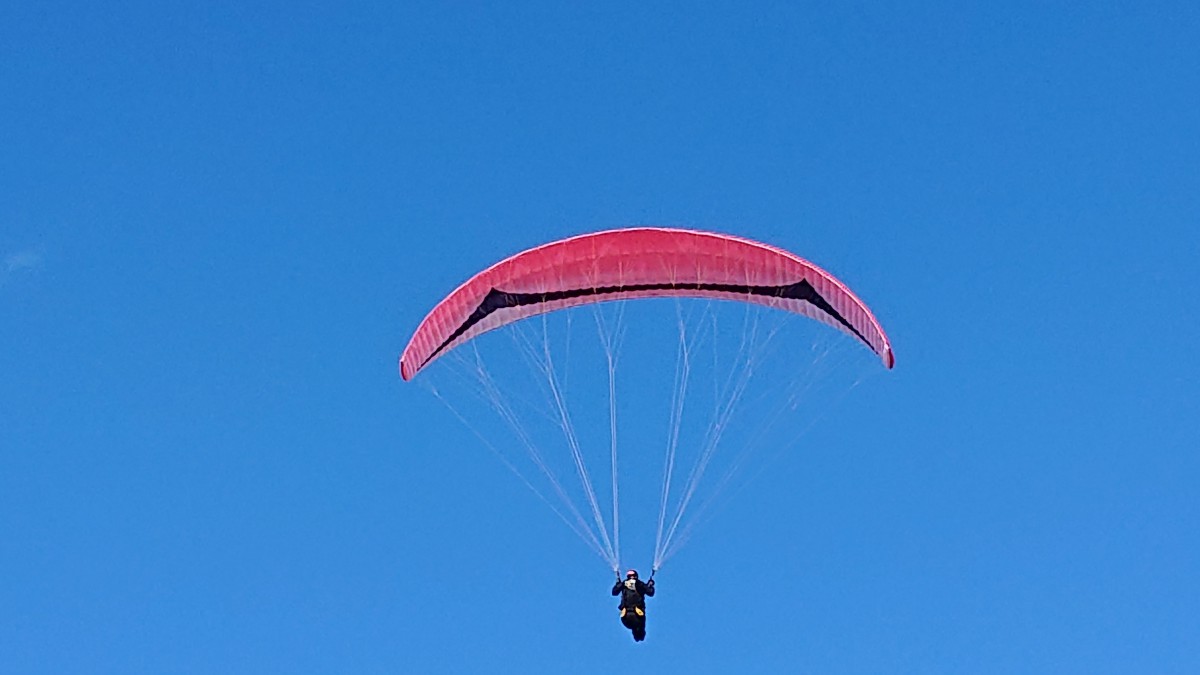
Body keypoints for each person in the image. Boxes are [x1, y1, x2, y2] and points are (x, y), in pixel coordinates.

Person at [611, 569, 655, 642]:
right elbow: (650, 592)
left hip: (625, 618)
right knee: (640, 626)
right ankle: (639, 636)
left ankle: (638, 636)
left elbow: (614, 592)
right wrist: (650, 585)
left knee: (636, 627)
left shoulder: (624, 584)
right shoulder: (639, 584)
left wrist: (618, 584)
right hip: (637, 616)